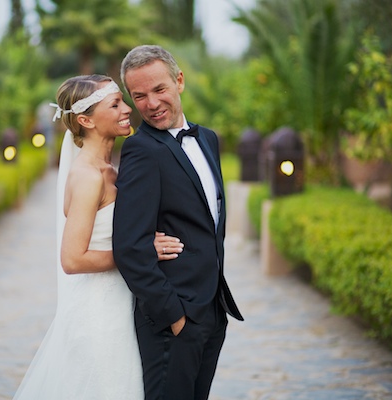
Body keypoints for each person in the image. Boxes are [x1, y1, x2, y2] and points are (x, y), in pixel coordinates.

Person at [13, 75, 184, 399]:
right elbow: (72, 259)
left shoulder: (110, 169)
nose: (127, 109)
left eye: (123, 100)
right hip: (98, 314)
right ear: (86, 120)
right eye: (115, 104)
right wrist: (140, 252)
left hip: (120, 303)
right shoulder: (89, 177)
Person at [112, 45, 244, 400]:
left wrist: (212, 310)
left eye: (159, 89)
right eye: (139, 96)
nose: (151, 104)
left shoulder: (208, 139)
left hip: (213, 312)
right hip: (174, 321)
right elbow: (129, 247)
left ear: (179, 81)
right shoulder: (141, 150)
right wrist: (175, 317)